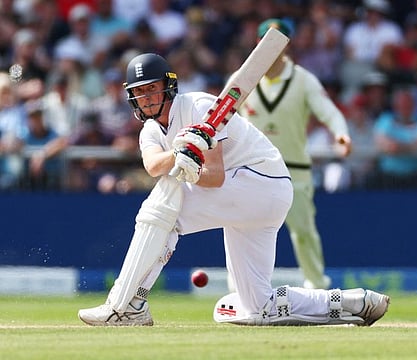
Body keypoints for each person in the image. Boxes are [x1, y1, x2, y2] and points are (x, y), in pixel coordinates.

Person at [77, 52, 389, 326]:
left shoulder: (200, 106)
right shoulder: (149, 131)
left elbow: (214, 178)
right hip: (252, 201)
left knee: (161, 207)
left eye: (151, 89)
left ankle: (126, 304)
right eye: (139, 92)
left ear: (168, 87)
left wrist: (193, 167)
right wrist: (181, 153)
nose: (146, 97)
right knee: (256, 307)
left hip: (260, 181)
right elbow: (153, 166)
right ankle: (352, 303)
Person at [238, 19, 352, 289]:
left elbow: (327, 110)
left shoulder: (302, 79)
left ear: (286, 45)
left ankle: (317, 284)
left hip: (294, 169)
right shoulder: (244, 78)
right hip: (251, 169)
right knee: (242, 230)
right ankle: (240, 288)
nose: (270, 47)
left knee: (303, 232)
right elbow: (225, 115)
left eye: (277, 40)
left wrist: (341, 133)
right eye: (265, 40)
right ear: (257, 43)